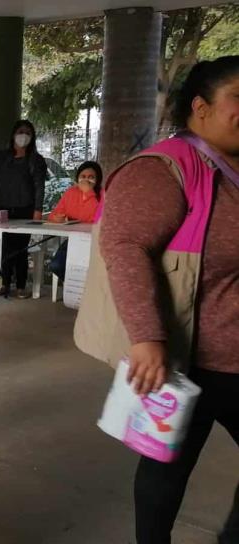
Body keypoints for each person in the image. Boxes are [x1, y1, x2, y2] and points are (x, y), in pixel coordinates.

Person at [75, 56, 239, 544]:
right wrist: (146, 338)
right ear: (201, 108)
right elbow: (124, 248)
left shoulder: (232, 169)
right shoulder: (165, 168)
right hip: (189, 357)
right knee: (166, 464)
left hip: (231, 351)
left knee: (167, 460)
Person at [0, 120, 48, 298]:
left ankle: (20, 285)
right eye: (20, 131)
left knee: (20, 249)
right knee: (3, 248)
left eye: (27, 132)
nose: (23, 135)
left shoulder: (36, 160)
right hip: (2, 209)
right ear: (13, 134)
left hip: (25, 210)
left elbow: (39, 186)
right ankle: (4, 283)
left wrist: (38, 210)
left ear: (32, 137)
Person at [47, 160, 102, 278]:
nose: (86, 180)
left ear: (97, 180)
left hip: (95, 242)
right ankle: (75, 288)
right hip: (73, 239)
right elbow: (54, 214)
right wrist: (57, 218)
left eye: (91, 177)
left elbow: (99, 217)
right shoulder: (71, 193)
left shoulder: (102, 194)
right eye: (83, 176)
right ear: (78, 178)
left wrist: (89, 193)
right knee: (56, 265)